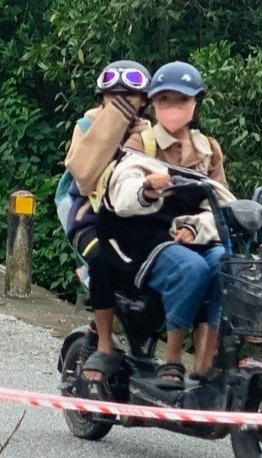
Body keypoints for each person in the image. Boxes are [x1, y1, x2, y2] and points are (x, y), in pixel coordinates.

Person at [85, 60, 233, 390]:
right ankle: (173, 357)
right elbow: (121, 192)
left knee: (227, 263)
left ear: (195, 104)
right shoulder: (142, 144)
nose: (173, 108)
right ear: (153, 103)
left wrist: (195, 227)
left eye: (181, 100)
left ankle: (207, 359)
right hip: (137, 235)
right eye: (165, 100)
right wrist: (147, 188)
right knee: (191, 269)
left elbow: (221, 204)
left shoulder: (208, 150)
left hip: (186, 236)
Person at [59, 60, 152, 356]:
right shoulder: (86, 126)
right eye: (113, 96)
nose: (121, 101)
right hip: (86, 216)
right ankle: (102, 345)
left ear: (144, 101)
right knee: (103, 260)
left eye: (129, 97)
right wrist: (115, 121)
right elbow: (84, 178)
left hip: (131, 220)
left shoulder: (151, 134)